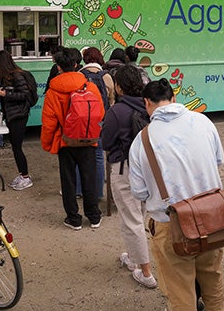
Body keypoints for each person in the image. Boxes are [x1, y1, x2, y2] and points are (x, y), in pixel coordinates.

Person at [129, 79, 224, 310]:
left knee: (181, 295)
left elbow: (140, 192)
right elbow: (218, 160)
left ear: (147, 103)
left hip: (170, 225)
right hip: (212, 218)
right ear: (173, 98)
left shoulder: (142, 141)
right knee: (213, 284)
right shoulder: (203, 121)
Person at [101, 65, 156, 289]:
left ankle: (146, 272)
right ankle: (134, 258)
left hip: (124, 170)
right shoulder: (149, 106)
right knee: (139, 215)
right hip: (148, 169)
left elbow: (106, 141)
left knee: (131, 219)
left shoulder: (117, 111)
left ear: (120, 87)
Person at [41, 48, 103, 230]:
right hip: (88, 140)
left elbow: (49, 122)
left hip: (65, 141)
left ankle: (74, 219)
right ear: (76, 65)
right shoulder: (89, 86)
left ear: (58, 67)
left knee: (68, 181)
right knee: (89, 178)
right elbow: (100, 113)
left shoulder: (53, 91)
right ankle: (94, 217)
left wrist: (47, 144)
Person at [0, 50, 35, 191]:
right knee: (15, 146)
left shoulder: (17, 75)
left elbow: (24, 94)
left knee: (17, 146)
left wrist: (6, 93)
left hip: (19, 115)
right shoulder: (4, 77)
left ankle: (26, 177)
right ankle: (22, 175)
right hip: (10, 115)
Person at [78, 47, 115, 199]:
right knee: (99, 157)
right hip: (100, 122)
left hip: (83, 122)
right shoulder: (106, 76)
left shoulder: (80, 75)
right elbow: (112, 100)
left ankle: (79, 190)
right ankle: (98, 193)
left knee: (80, 156)